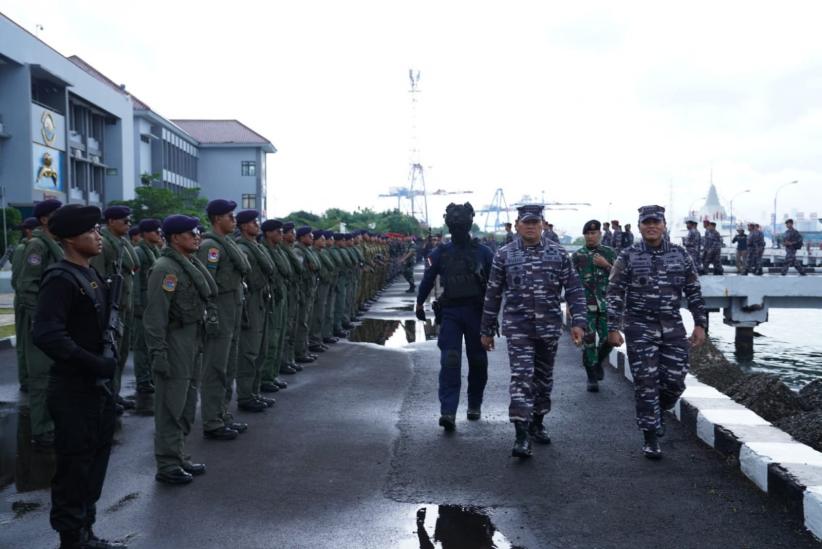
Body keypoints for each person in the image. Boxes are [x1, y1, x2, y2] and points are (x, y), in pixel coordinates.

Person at [32, 204, 126, 549]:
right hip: (74, 389)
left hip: (96, 389)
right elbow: (46, 333)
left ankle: (87, 532)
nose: (99, 237)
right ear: (72, 238)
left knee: (93, 466)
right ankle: (71, 539)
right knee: (74, 469)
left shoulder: (91, 274)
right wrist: (90, 361)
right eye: (92, 232)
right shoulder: (61, 277)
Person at [481, 205, 586, 458]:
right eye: (525, 222)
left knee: (543, 379)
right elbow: (493, 293)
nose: (530, 226)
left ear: (542, 224)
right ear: (517, 224)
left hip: (549, 327)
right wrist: (486, 328)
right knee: (521, 376)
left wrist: (578, 322)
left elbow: (573, 289)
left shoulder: (558, 254)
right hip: (518, 328)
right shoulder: (504, 255)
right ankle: (521, 434)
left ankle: (538, 422)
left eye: (534, 222)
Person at [607, 205, 706, 459]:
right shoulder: (627, 256)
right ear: (639, 226)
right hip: (639, 326)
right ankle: (650, 437)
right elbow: (615, 292)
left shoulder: (680, 254)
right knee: (646, 382)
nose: (651, 226)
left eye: (656, 222)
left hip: (672, 325)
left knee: (675, 381)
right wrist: (613, 327)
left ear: (664, 225)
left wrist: (700, 324)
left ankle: (660, 410)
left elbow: (694, 291)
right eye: (646, 222)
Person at [144, 215, 216, 484]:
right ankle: (167, 463)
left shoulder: (187, 264)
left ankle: (178, 454)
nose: (197, 236)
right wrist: (158, 353)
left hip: (192, 338)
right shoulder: (165, 269)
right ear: (175, 238)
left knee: (186, 403)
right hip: (175, 341)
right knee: (171, 405)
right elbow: (155, 317)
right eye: (191, 233)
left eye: (197, 232)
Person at [415, 203, 494, 431]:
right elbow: (428, 278)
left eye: (462, 224)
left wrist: (494, 315)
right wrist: (419, 302)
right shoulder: (441, 252)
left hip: (476, 313)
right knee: (450, 359)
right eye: (454, 224)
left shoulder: (484, 252)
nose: (458, 228)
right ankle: (448, 411)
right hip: (450, 313)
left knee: (478, 361)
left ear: (469, 224)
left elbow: (496, 285)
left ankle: (474, 404)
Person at [198, 200, 251, 440]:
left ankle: (222, 414)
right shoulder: (211, 247)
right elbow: (206, 285)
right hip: (220, 310)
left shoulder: (227, 244)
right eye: (230, 216)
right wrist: (211, 316)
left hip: (233, 308)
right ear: (217, 219)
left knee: (229, 367)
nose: (234, 220)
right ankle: (212, 421)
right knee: (215, 368)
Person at [17, 198, 64, 448]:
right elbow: (27, 286)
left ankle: (50, 424)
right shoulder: (37, 245)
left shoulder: (53, 244)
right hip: (42, 321)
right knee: (41, 377)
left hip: (53, 320)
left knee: (53, 375)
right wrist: (41, 319)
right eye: (57, 214)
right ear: (45, 219)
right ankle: (42, 430)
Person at [91, 206, 138, 413]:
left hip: (125, 305)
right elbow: (97, 276)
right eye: (124, 221)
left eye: (129, 221)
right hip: (112, 307)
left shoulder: (122, 242)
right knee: (111, 353)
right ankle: (105, 397)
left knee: (122, 353)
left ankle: (115, 393)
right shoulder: (104, 243)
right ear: (110, 221)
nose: (128, 224)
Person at [234, 210, 276, 412]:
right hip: (250, 302)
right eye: (252, 222)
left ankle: (255, 392)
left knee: (260, 350)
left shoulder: (255, 246)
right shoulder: (243, 248)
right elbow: (247, 277)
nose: (256, 224)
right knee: (249, 352)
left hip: (261, 300)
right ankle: (245, 395)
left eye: (256, 221)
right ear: (243, 226)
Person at [572, 220, 616, 392]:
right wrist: (570, 305)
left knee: (608, 339)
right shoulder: (577, 256)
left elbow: (620, 278)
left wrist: (606, 265)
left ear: (600, 234)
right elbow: (570, 283)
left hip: (607, 305)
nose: (590, 236)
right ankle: (591, 377)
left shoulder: (610, 253)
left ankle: (598, 362)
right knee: (588, 342)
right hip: (585, 306)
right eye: (587, 234)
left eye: (594, 233)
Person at [259, 220, 292, 392]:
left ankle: (272, 374)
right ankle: (265, 377)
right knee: (271, 338)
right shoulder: (263, 250)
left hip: (281, 294)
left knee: (279, 335)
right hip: (271, 297)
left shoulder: (277, 250)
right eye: (278, 231)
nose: (282, 234)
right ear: (268, 233)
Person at [132, 219, 163, 401]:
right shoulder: (139, 253)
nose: (159, 234)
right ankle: (142, 380)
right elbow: (135, 282)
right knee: (141, 345)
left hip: (151, 302)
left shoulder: (154, 251)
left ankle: (149, 377)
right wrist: (136, 304)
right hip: (142, 302)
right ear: (144, 234)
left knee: (151, 342)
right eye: (154, 231)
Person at [11, 216, 39, 393]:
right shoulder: (23, 248)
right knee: (24, 342)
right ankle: (25, 379)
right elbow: (17, 278)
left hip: (32, 299)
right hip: (24, 300)